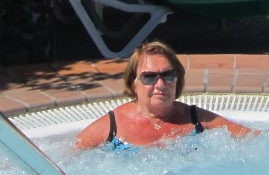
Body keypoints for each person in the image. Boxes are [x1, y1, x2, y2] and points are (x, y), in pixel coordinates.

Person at [76, 41, 255, 149]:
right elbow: (69, 157)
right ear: (133, 83)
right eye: (149, 77)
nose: (160, 84)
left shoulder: (197, 119)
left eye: (168, 75)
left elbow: (255, 139)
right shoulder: (112, 127)